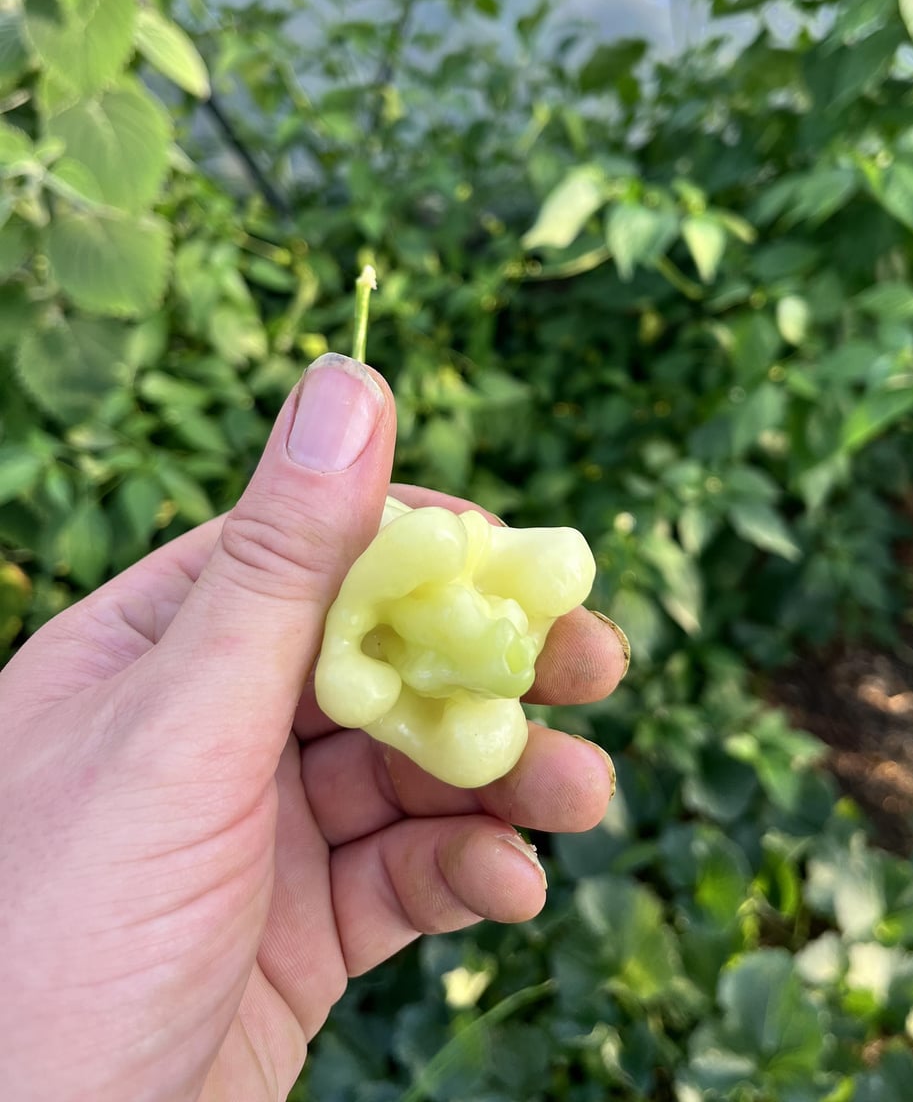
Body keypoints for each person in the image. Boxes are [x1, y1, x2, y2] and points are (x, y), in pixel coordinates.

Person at [0, 353, 628, 1101]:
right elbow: (367, 647)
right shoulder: (418, 574)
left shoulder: (442, 656)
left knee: (490, 734)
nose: (500, 634)